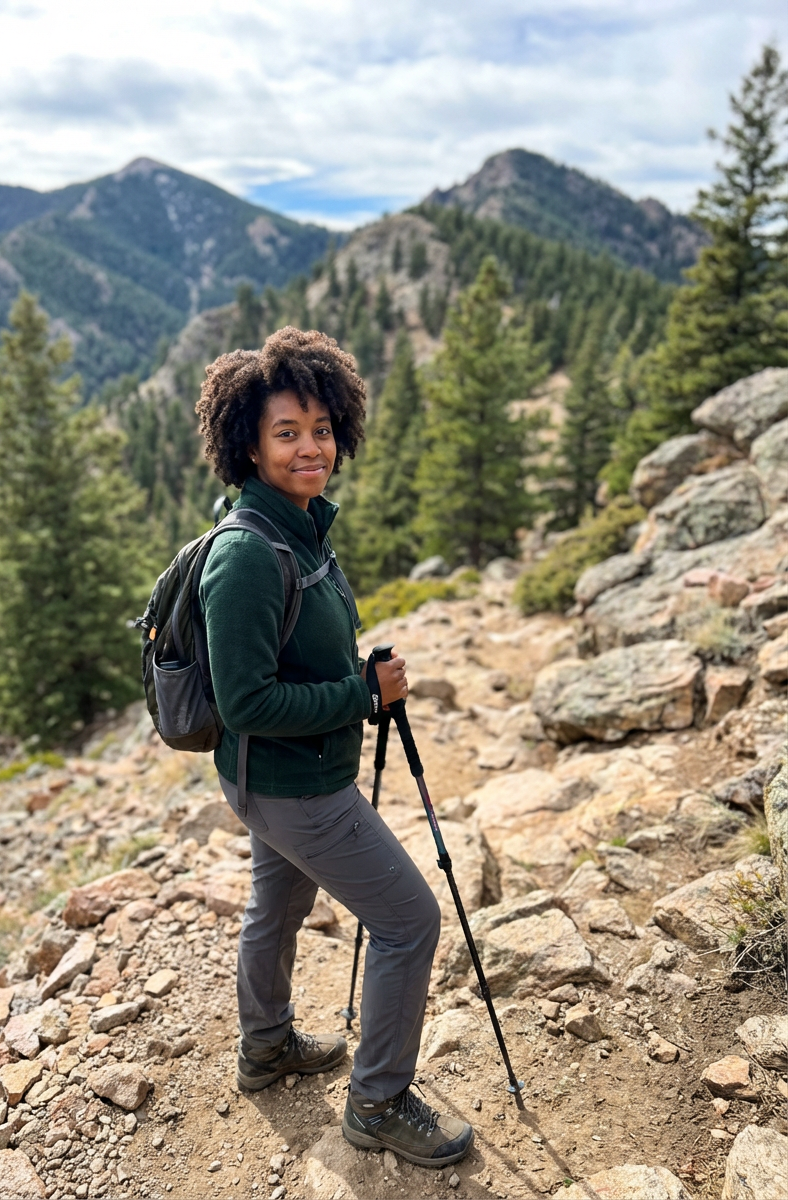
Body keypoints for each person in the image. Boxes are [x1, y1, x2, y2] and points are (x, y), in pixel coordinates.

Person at [194, 326, 473, 1168]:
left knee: (276, 907)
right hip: (296, 787)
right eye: (287, 433)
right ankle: (378, 1101)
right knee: (409, 921)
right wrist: (361, 694)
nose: (310, 447)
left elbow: (287, 659)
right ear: (249, 445)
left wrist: (352, 677)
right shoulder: (248, 553)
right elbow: (245, 701)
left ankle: (266, 1047)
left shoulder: (300, 524)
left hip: (274, 779)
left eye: (320, 429)